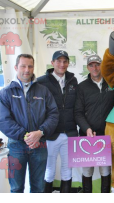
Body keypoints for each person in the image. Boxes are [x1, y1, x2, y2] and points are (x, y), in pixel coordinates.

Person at [0, 54, 59, 193]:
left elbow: (53, 114)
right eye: (23, 66)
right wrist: (26, 136)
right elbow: (3, 120)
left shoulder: (43, 91)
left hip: (40, 144)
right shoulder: (6, 92)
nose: (27, 69)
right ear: (16, 67)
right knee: (16, 188)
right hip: (16, 146)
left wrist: (40, 132)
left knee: (38, 187)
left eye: (30, 66)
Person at [74, 55, 114, 193]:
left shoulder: (113, 84)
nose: (95, 68)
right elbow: (78, 112)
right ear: (88, 67)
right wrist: (86, 128)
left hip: (106, 136)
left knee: (105, 170)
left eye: (97, 64)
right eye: (91, 65)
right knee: (87, 171)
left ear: (102, 66)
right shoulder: (81, 87)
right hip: (87, 137)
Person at [37, 50, 78, 193]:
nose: (62, 64)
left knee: (68, 169)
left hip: (70, 133)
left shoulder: (73, 80)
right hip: (50, 134)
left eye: (65, 61)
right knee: (49, 169)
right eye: (58, 61)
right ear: (52, 62)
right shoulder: (41, 82)